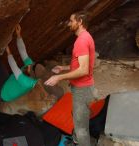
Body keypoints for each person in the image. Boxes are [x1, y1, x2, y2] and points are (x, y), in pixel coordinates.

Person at [0, 24, 63, 110]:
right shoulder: (31, 67)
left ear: (31, 74)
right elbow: (23, 52)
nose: (30, 65)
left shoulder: (27, 82)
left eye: (31, 67)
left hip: (3, 94)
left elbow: (14, 67)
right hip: (8, 81)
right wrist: (18, 35)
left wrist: (8, 50)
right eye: (32, 65)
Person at [45, 11, 96, 146]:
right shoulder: (85, 37)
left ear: (80, 22)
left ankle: (81, 141)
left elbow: (83, 70)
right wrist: (63, 68)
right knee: (78, 116)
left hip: (82, 88)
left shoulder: (82, 41)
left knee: (81, 129)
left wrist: (59, 77)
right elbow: (80, 64)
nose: (69, 23)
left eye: (71, 21)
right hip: (83, 87)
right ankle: (76, 140)